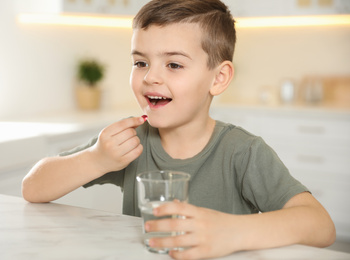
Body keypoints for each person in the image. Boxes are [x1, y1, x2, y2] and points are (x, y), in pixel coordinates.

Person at [22, 0, 336, 259]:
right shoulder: (131, 143)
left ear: (219, 78)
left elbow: (321, 226)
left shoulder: (244, 152)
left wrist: (231, 232)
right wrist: (96, 159)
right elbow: (33, 187)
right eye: (141, 62)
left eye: (173, 64)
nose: (150, 78)